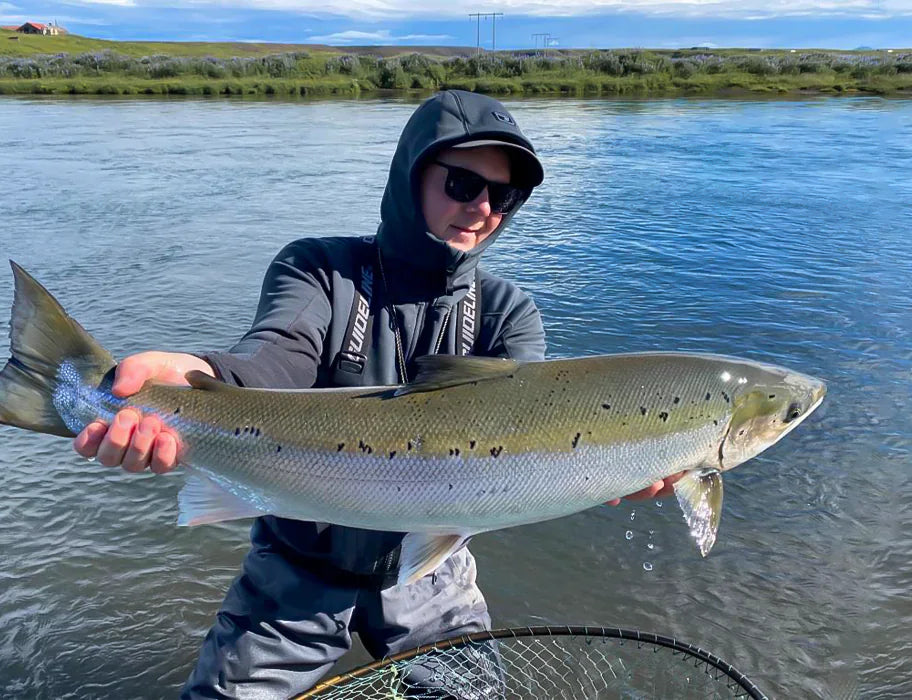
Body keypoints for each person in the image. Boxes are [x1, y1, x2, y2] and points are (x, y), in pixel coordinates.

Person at [73, 90, 684, 699]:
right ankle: (58, 386)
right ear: (411, 173)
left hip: (433, 572)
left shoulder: (507, 315)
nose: (482, 209)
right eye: (464, 183)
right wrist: (190, 377)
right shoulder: (320, 271)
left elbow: (532, 430)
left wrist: (614, 464)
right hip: (297, 569)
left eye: (503, 196)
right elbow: (267, 365)